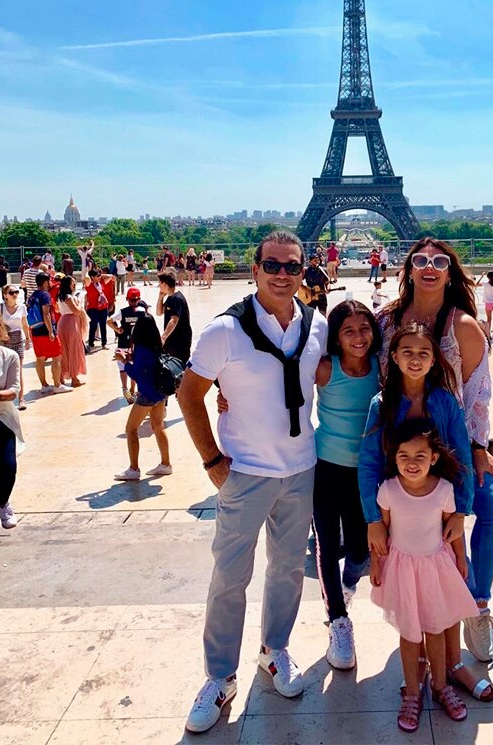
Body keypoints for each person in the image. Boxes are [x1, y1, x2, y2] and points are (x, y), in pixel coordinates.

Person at [178, 231, 327, 734]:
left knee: (286, 570)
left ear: (306, 270)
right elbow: (189, 393)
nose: (283, 274)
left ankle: (274, 650)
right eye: (273, 265)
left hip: (301, 467)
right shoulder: (224, 331)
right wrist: (212, 462)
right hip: (244, 472)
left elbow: (338, 374)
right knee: (229, 578)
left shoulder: (318, 325)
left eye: (293, 267)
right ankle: (219, 676)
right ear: (255, 269)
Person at [374, 237, 493, 692]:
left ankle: (477, 603)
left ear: (450, 271)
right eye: (420, 260)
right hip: (404, 457)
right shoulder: (385, 322)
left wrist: (479, 447)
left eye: (439, 261)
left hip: (453, 447)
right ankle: (440, 632)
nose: (429, 267)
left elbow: (477, 398)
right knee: (428, 533)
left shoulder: (465, 326)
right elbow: (349, 366)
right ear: (407, 267)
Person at [370, 420, 482, 733]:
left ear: (434, 457)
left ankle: (441, 685)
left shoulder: (444, 490)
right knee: (409, 633)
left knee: (435, 628)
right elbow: (382, 532)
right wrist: (377, 564)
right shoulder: (388, 490)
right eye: (404, 456)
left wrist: (460, 557)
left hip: (435, 568)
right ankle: (411, 692)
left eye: (420, 456)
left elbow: (453, 529)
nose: (412, 463)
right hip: (403, 570)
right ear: (394, 458)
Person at [312, 300, 380, 669]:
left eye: (364, 329)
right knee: (326, 542)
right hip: (326, 467)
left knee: (359, 552)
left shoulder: (380, 370)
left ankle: (347, 584)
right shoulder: (326, 369)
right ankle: (338, 620)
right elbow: (282, 387)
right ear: (335, 338)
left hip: (365, 472)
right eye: (348, 331)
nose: (358, 337)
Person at [113, 315, 172, 481]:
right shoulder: (156, 345)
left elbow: (137, 375)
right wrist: (131, 358)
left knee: (131, 429)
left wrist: (124, 362)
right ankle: (166, 464)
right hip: (161, 394)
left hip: (147, 395)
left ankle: (134, 468)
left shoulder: (141, 349)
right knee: (158, 427)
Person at [0, 310, 24, 541]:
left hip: (2, 419)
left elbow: (14, 390)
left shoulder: (10, 356)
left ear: (0, 335)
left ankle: (2, 504)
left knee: (8, 468)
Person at [27, 273, 73, 395]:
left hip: (35, 331)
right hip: (46, 331)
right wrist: (51, 331)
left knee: (40, 359)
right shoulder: (45, 295)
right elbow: (46, 313)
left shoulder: (33, 295)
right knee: (57, 356)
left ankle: (44, 385)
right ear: (46, 282)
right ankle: (57, 385)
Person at [108, 287, 149, 403]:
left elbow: (109, 320)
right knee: (135, 367)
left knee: (123, 368)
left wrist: (117, 329)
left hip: (123, 343)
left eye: (134, 300)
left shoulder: (123, 312)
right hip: (137, 345)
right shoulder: (142, 312)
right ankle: (132, 390)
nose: (134, 302)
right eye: (133, 300)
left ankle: (125, 388)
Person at [0, 285, 31, 410]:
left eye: (16, 292)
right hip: (4, 341)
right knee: (3, 370)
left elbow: (24, 323)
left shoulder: (21, 307)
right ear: (5, 295)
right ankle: (5, 399)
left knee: (19, 370)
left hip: (17, 338)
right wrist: (1, 332)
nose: (15, 294)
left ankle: (21, 399)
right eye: (11, 292)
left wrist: (27, 338)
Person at [56, 276, 87, 387]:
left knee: (63, 351)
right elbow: (76, 311)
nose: (74, 284)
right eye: (73, 283)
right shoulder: (69, 297)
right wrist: (80, 305)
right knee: (74, 349)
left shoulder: (59, 297)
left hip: (62, 322)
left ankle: (60, 378)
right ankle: (74, 379)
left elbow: (56, 310)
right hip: (72, 323)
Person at [156, 270, 192, 364]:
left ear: (164, 284)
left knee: (180, 367)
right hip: (172, 341)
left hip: (180, 341)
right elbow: (159, 313)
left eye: (159, 283)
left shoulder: (177, 298)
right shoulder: (171, 297)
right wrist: (160, 297)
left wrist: (163, 337)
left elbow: (174, 319)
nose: (159, 285)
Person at [83, 268, 115, 350]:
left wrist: (101, 275)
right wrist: (87, 271)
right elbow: (86, 277)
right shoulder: (89, 284)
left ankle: (104, 343)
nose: (99, 277)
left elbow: (111, 276)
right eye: (97, 276)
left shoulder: (101, 283)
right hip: (93, 308)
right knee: (93, 326)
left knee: (103, 325)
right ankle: (91, 343)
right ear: (92, 277)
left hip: (103, 307)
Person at [478, 271, 493, 339]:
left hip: (488, 303)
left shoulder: (485, 284)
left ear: (487, 277)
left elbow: (476, 284)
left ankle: (488, 334)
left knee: (489, 319)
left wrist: (481, 277)